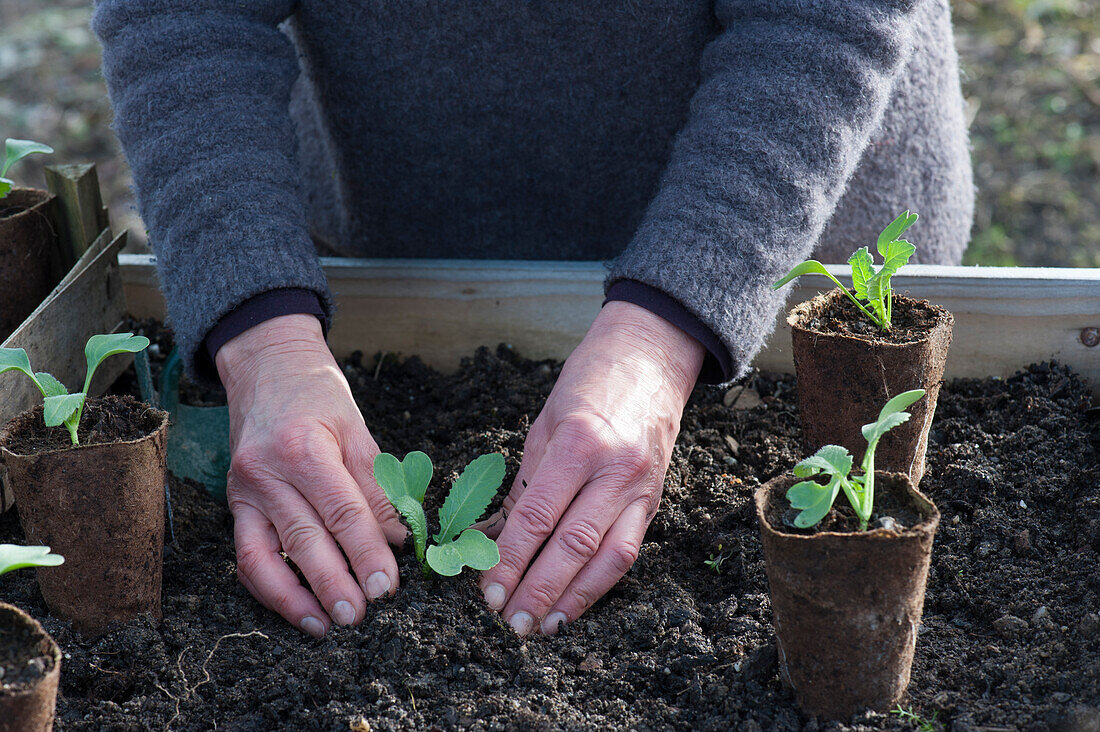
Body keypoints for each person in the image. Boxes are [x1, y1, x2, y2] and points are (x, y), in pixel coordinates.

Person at [92, 0, 973, 638]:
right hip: (389, 226)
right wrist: (267, 338)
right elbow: (179, 15)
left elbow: (819, 17)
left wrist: (666, 327)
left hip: (787, 219)